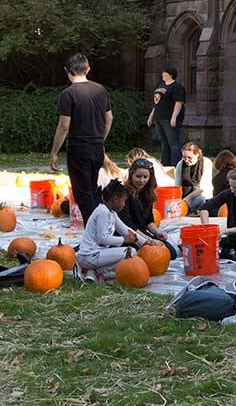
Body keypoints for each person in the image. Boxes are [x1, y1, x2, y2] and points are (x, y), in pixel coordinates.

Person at [50, 53, 112, 223]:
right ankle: (100, 231)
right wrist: (101, 139)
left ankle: (93, 238)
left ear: (67, 70)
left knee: (83, 195)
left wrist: (54, 152)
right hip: (97, 147)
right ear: (88, 69)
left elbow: (64, 126)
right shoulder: (101, 90)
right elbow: (109, 118)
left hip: (78, 149)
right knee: (93, 190)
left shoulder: (67, 94)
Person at [77, 180, 140, 277]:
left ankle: (91, 272)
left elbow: (125, 229)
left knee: (129, 258)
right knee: (130, 252)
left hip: (96, 254)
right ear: (115, 199)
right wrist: (124, 240)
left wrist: (145, 242)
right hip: (89, 257)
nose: (124, 205)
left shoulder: (111, 213)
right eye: (124, 201)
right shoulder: (103, 213)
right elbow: (103, 238)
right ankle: (98, 273)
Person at [119, 157, 178, 259]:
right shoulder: (125, 193)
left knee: (171, 253)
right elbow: (127, 224)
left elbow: (148, 221)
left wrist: (157, 231)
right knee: (150, 256)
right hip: (128, 235)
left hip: (142, 232)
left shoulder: (147, 193)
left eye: (145, 177)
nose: (141, 180)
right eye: (138, 176)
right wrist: (148, 240)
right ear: (131, 175)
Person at [147, 65, 187, 167]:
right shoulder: (161, 86)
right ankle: (165, 164)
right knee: (164, 142)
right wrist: (151, 116)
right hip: (158, 118)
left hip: (169, 118)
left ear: (170, 74)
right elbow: (157, 103)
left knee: (173, 143)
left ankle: (176, 165)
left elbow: (179, 103)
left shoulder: (177, 87)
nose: (162, 74)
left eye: (165, 73)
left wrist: (174, 117)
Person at [176, 142, 214, 211]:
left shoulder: (206, 162)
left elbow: (202, 188)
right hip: (185, 196)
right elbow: (177, 185)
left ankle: (189, 210)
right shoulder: (180, 164)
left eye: (189, 157)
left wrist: (185, 200)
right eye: (184, 157)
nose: (186, 160)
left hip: (202, 196)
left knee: (200, 198)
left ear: (197, 155)